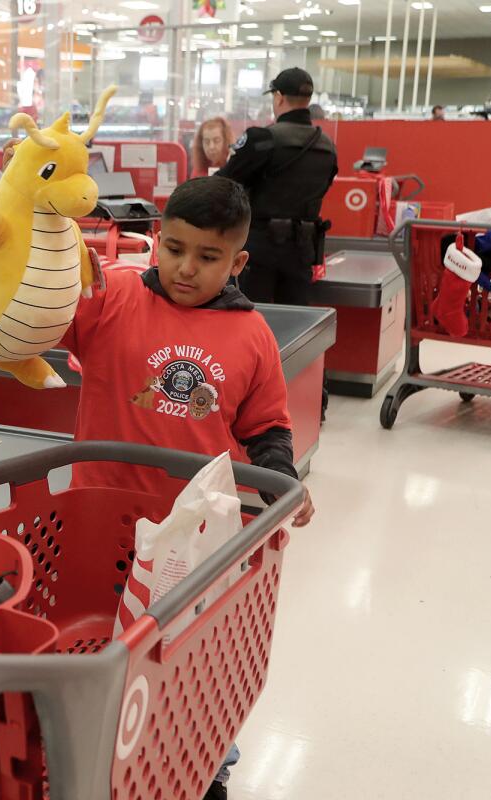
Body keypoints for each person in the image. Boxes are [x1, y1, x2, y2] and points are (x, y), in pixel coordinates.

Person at [62, 176, 314, 800]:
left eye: (208, 257)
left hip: (196, 541)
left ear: (239, 261)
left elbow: (267, 427)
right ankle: (100, 761)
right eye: (173, 248)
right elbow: (40, 324)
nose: (185, 268)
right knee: (107, 649)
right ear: (154, 240)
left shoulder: (252, 335)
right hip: (100, 519)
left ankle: (205, 766)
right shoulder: (113, 295)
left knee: (193, 663)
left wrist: (281, 478)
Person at [218, 67, 338, 306]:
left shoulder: (262, 139)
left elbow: (224, 183)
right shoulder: (327, 146)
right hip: (303, 250)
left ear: (279, 97)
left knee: (249, 318)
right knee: (296, 326)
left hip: (258, 251)